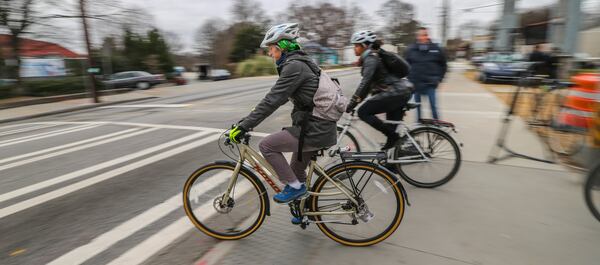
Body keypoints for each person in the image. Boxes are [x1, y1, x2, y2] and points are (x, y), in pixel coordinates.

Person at [228, 23, 337, 207]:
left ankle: (295, 189)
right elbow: (276, 99)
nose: (270, 54)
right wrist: (247, 121)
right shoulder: (300, 62)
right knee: (296, 172)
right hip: (317, 125)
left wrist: (244, 126)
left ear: (281, 47)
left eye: (271, 49)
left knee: (267, 145)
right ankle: (304, 209)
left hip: (314, 129)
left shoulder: (294, 66)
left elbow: (273, 100)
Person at [345, 30, 412, 150]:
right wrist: (356, 101)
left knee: (363, 112)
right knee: (391, 139)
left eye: (356, 45)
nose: (354, 49)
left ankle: (394, 137)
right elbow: (368, 86)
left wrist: (352, 104)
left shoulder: (370, 58)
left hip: (396, 92)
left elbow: (365, 83)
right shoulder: (375, 56)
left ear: (364, 46)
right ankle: (391, 166)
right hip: (400, 91)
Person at [404, 27, 447, 120]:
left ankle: (437, 126)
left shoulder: (436, 48)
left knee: (433, 106)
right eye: (420, 35)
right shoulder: (411, 49)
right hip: (416, 85)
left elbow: (443, 65)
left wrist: (439, 79)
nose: (422, 37)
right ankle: (418, 126)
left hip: (430, 84)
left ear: (427, 35)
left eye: (424, 35)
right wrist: (409, 78)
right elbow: (405, 65)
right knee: (418, 107)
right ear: (417, 36)